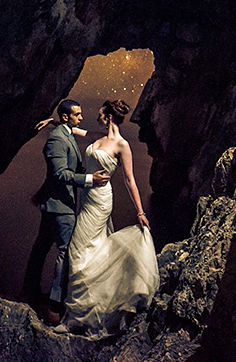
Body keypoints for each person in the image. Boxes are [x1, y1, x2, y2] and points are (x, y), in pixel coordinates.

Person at [39, 99, 160, 336]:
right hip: (86, 198)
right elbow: (70, 128)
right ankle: (86, 305)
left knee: (77, 250)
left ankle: (75, 318)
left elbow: (129, 179)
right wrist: (53, 122)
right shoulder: (96, 135)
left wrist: (140, 212)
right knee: (91, 249)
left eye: (101, 115)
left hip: (101, 200)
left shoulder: (122, 145)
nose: (97, 118)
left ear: (110, 117)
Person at [23, 98, 111, 325]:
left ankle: (29, 291)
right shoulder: (57, 139)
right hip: (59, 205)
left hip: (56, 204)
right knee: (65, 252)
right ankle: (54, 306)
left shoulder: (65, 132)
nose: (81, 118)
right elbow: (60, 174)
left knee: (41, 247)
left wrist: (53, 121)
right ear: (66, 117)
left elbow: (81, 140)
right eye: (77, 114)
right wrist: (90, 179)